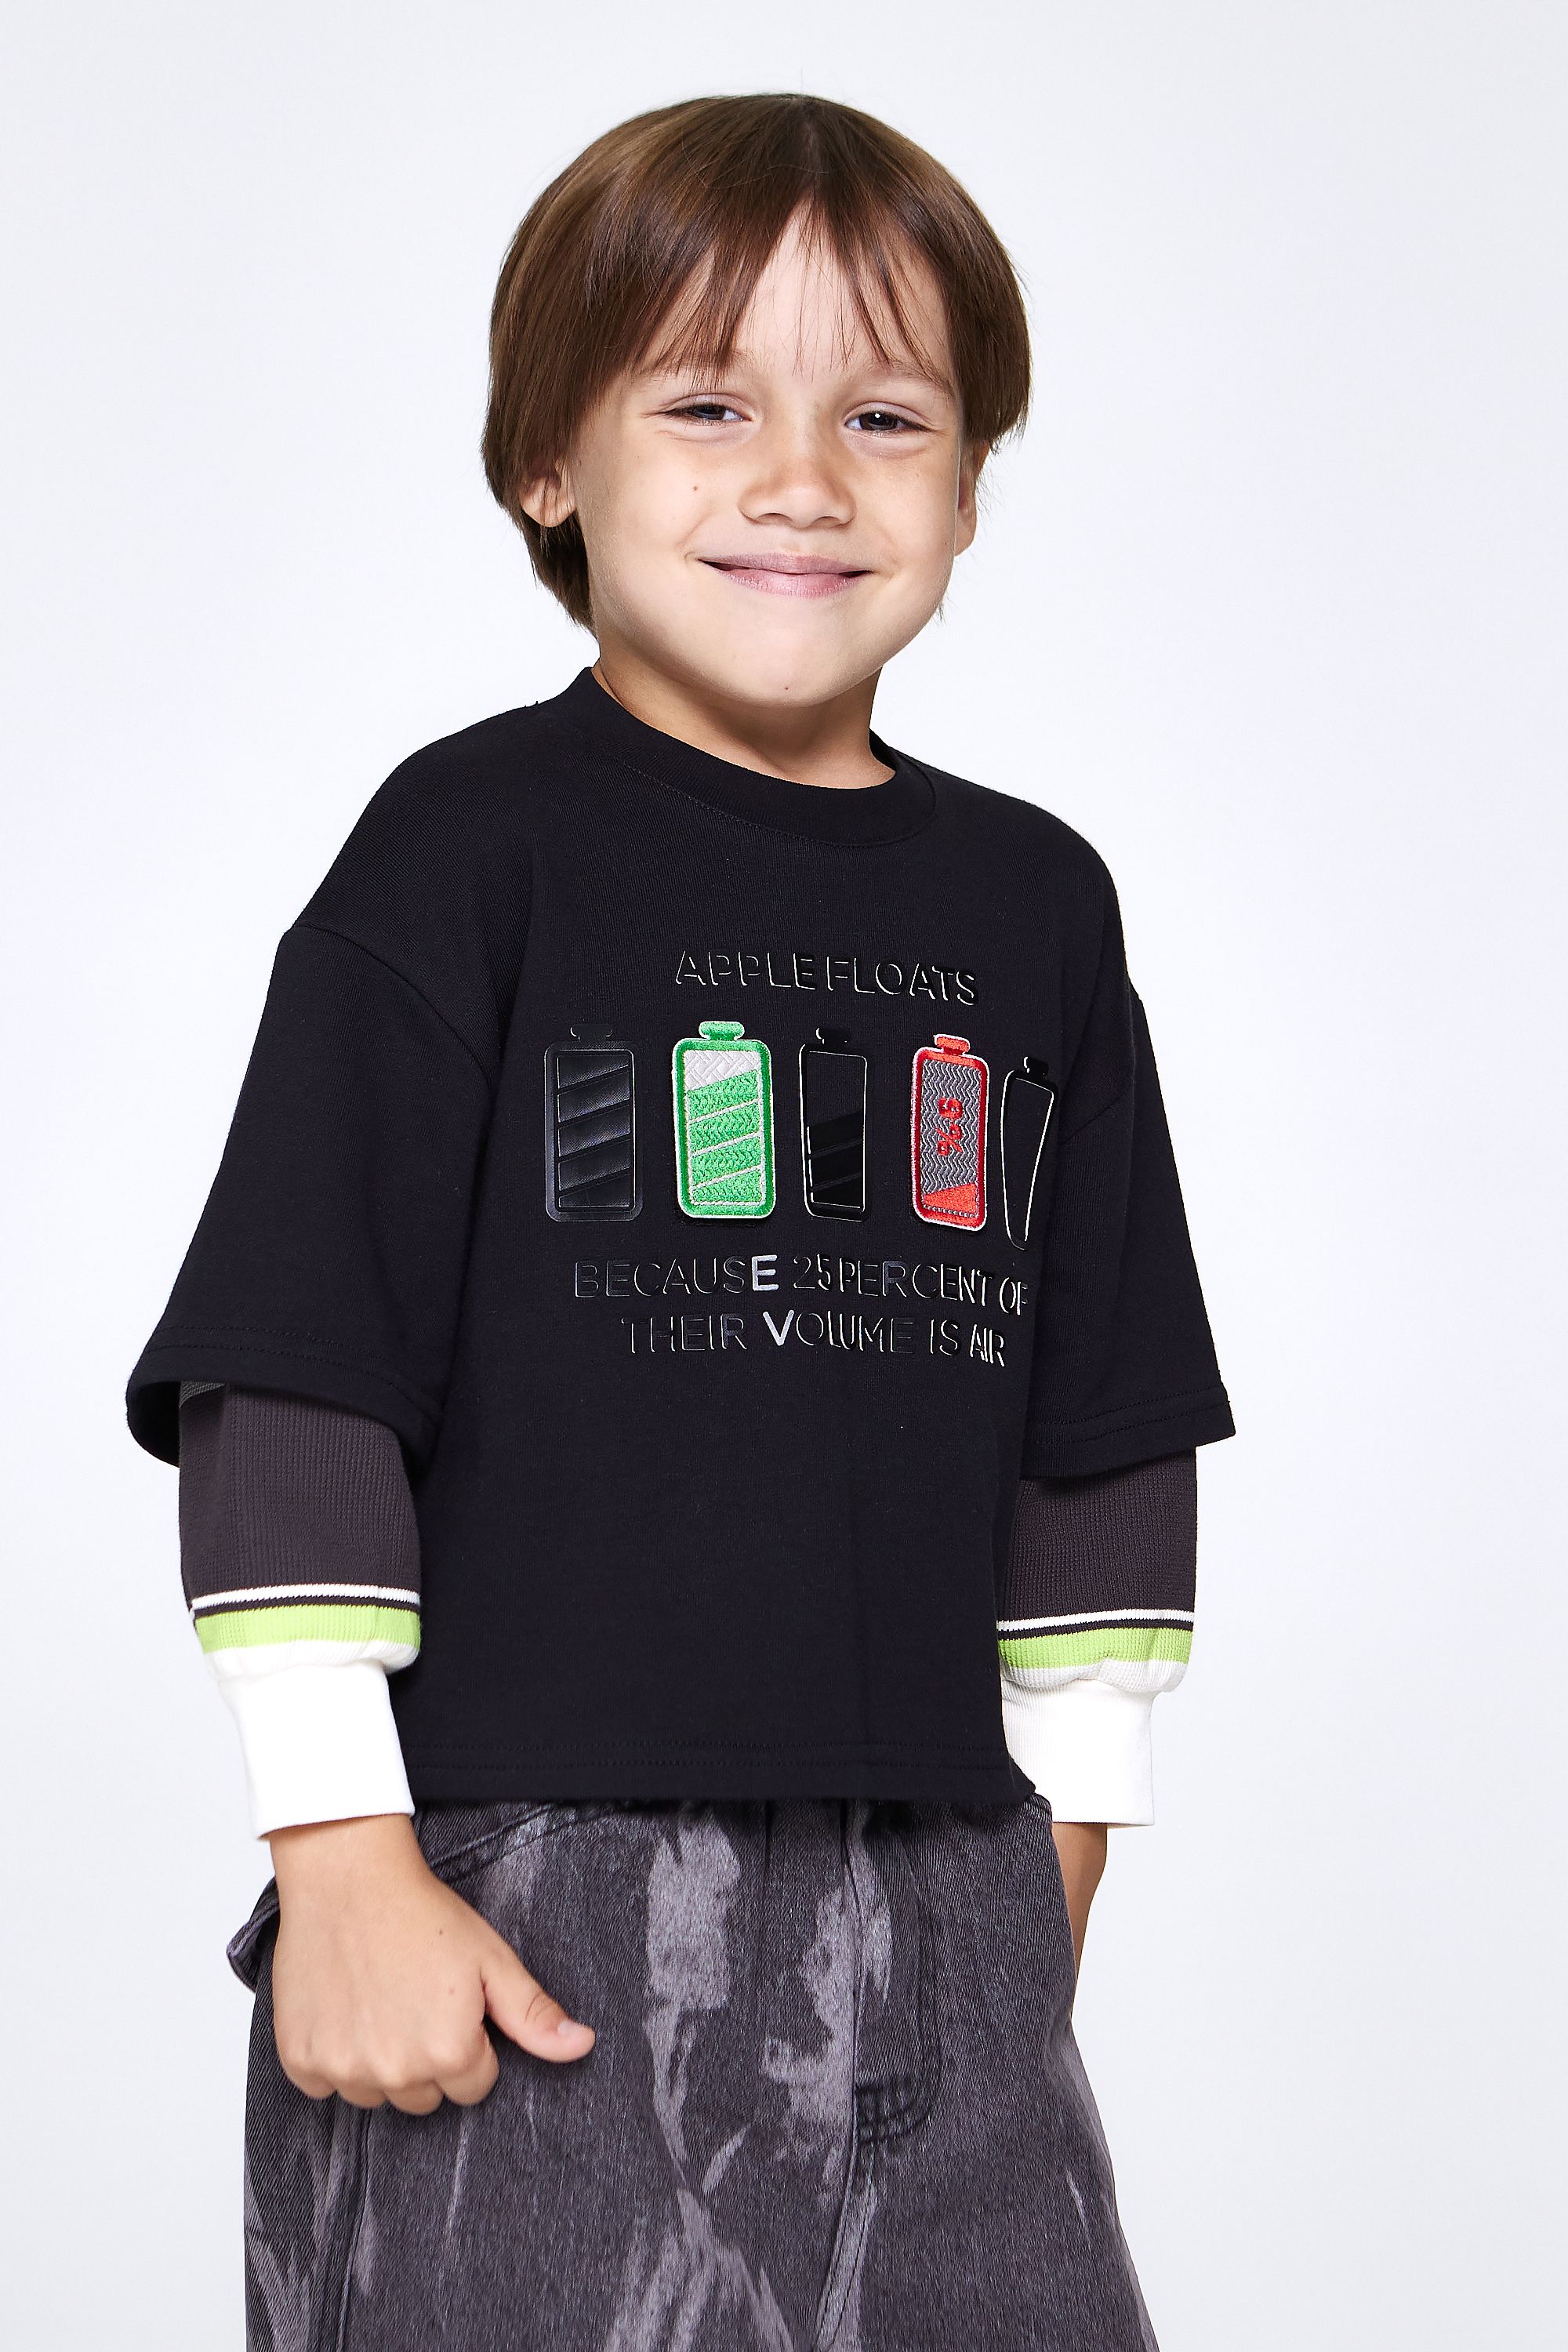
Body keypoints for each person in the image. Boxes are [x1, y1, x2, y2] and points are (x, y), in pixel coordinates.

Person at [126, 92, 1233, 2351]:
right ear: (552, 460)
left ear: (969, 484)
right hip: (519, 1899)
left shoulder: (1035, 904)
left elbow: (1108, 1411)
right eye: (708, 405)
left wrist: (1065, 1841)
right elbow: (294, 1371)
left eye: (886, 415)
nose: (802, 478)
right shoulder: (467, 852)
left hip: (946, 1887)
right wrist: (339, 1851)